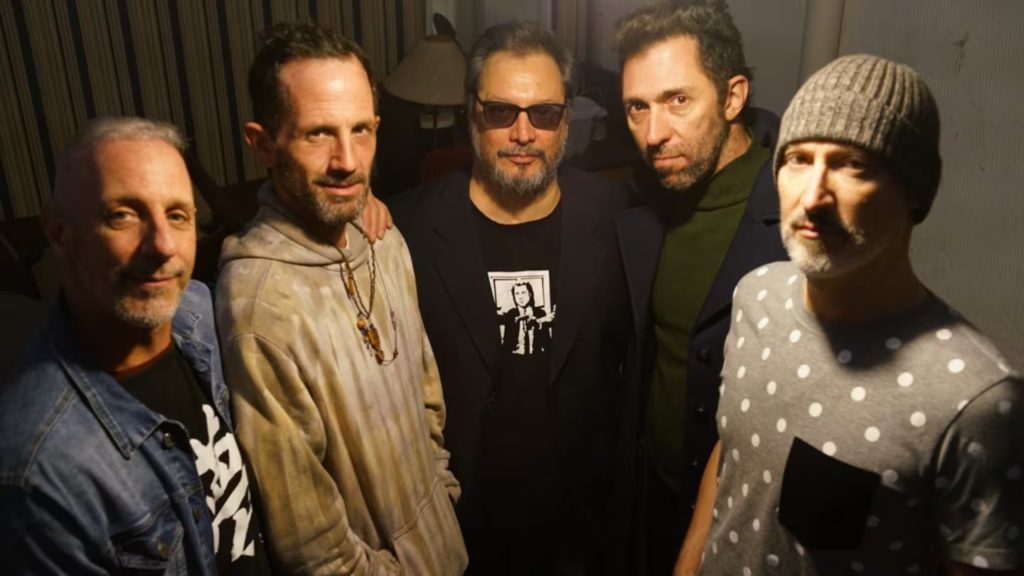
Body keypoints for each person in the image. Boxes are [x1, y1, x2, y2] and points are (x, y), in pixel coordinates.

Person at [676, 53, 1024, 576]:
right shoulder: (757, 297)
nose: (813, 196)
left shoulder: (977, 398)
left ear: (913, 191)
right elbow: (733, 450)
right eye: (798, 159)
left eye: (853, 164)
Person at [215, 23, 467, 575]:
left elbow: (426, 397)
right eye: (318, 134)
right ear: (263, 144)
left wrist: (442, 502)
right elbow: (311, 545)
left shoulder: (384, 238)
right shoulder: (262, 306)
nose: (348, 161)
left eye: (361, 130)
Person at [389, 20, 633, 574]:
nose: (523, 133)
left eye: (543, 113)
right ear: (472, 113)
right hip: (461, 533)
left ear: (566, 119)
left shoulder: (617, 213)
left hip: (581, 534)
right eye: (501, 111)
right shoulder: (406, 231)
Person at [0, 117, 271, 574]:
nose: (162, 246)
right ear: (59, 232)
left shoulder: (198, 313)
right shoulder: (39, 467)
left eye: (178, 216)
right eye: (123, 215)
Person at [614, 2, 789, 572]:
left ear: (733, 97)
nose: (653, 134)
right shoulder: (642, 202)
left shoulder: (800, 219)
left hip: (749, 526)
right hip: (649, 509)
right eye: (637, 108)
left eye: (678, 101)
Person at [499, 281, 554, 355]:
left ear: (530, 294)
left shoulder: (540, 313)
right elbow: (507, 343)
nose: (520, 297)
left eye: (523, 292)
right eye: (517, 293)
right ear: (514, 297)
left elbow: (546, 342)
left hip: (536, 357)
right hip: (515, 358)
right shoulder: (511, 314)